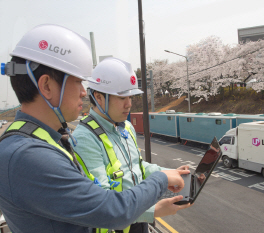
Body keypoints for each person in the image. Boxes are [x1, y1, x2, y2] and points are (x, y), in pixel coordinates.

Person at [0, 24, 190, 233]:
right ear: (46, 86)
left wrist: (164, 174)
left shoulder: (43, 140)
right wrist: (161, 181)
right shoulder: (28, 155)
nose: (84, 92)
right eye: (78, 81)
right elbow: (111, 210)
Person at [71, 57, 191, 233]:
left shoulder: (125, 126)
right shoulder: (85, 138)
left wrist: (166, 173)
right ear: (98, 97)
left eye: (130, 97)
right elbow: (103, 205)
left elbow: (137, 166)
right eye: (121, 97)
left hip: (138, 221)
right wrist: (154, 210)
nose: (129, 104)